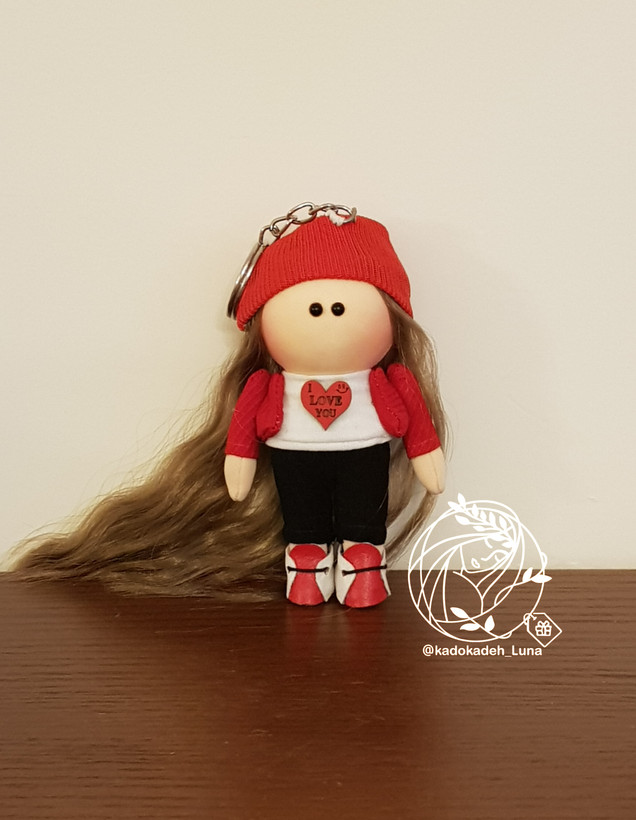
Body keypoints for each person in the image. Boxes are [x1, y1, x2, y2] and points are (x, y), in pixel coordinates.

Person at [12, 203, 447, 607]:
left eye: (339, 307)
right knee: (303, 517)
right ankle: (307, 564)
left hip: (365, 455)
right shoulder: (265, 383)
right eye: (314, 308)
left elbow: (418, 426)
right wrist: (239, 462)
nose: (328, 316)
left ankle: (363, 561)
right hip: (294, 459)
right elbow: (242, 433)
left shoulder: (389, 380)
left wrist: (427, 455)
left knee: (363, 512)